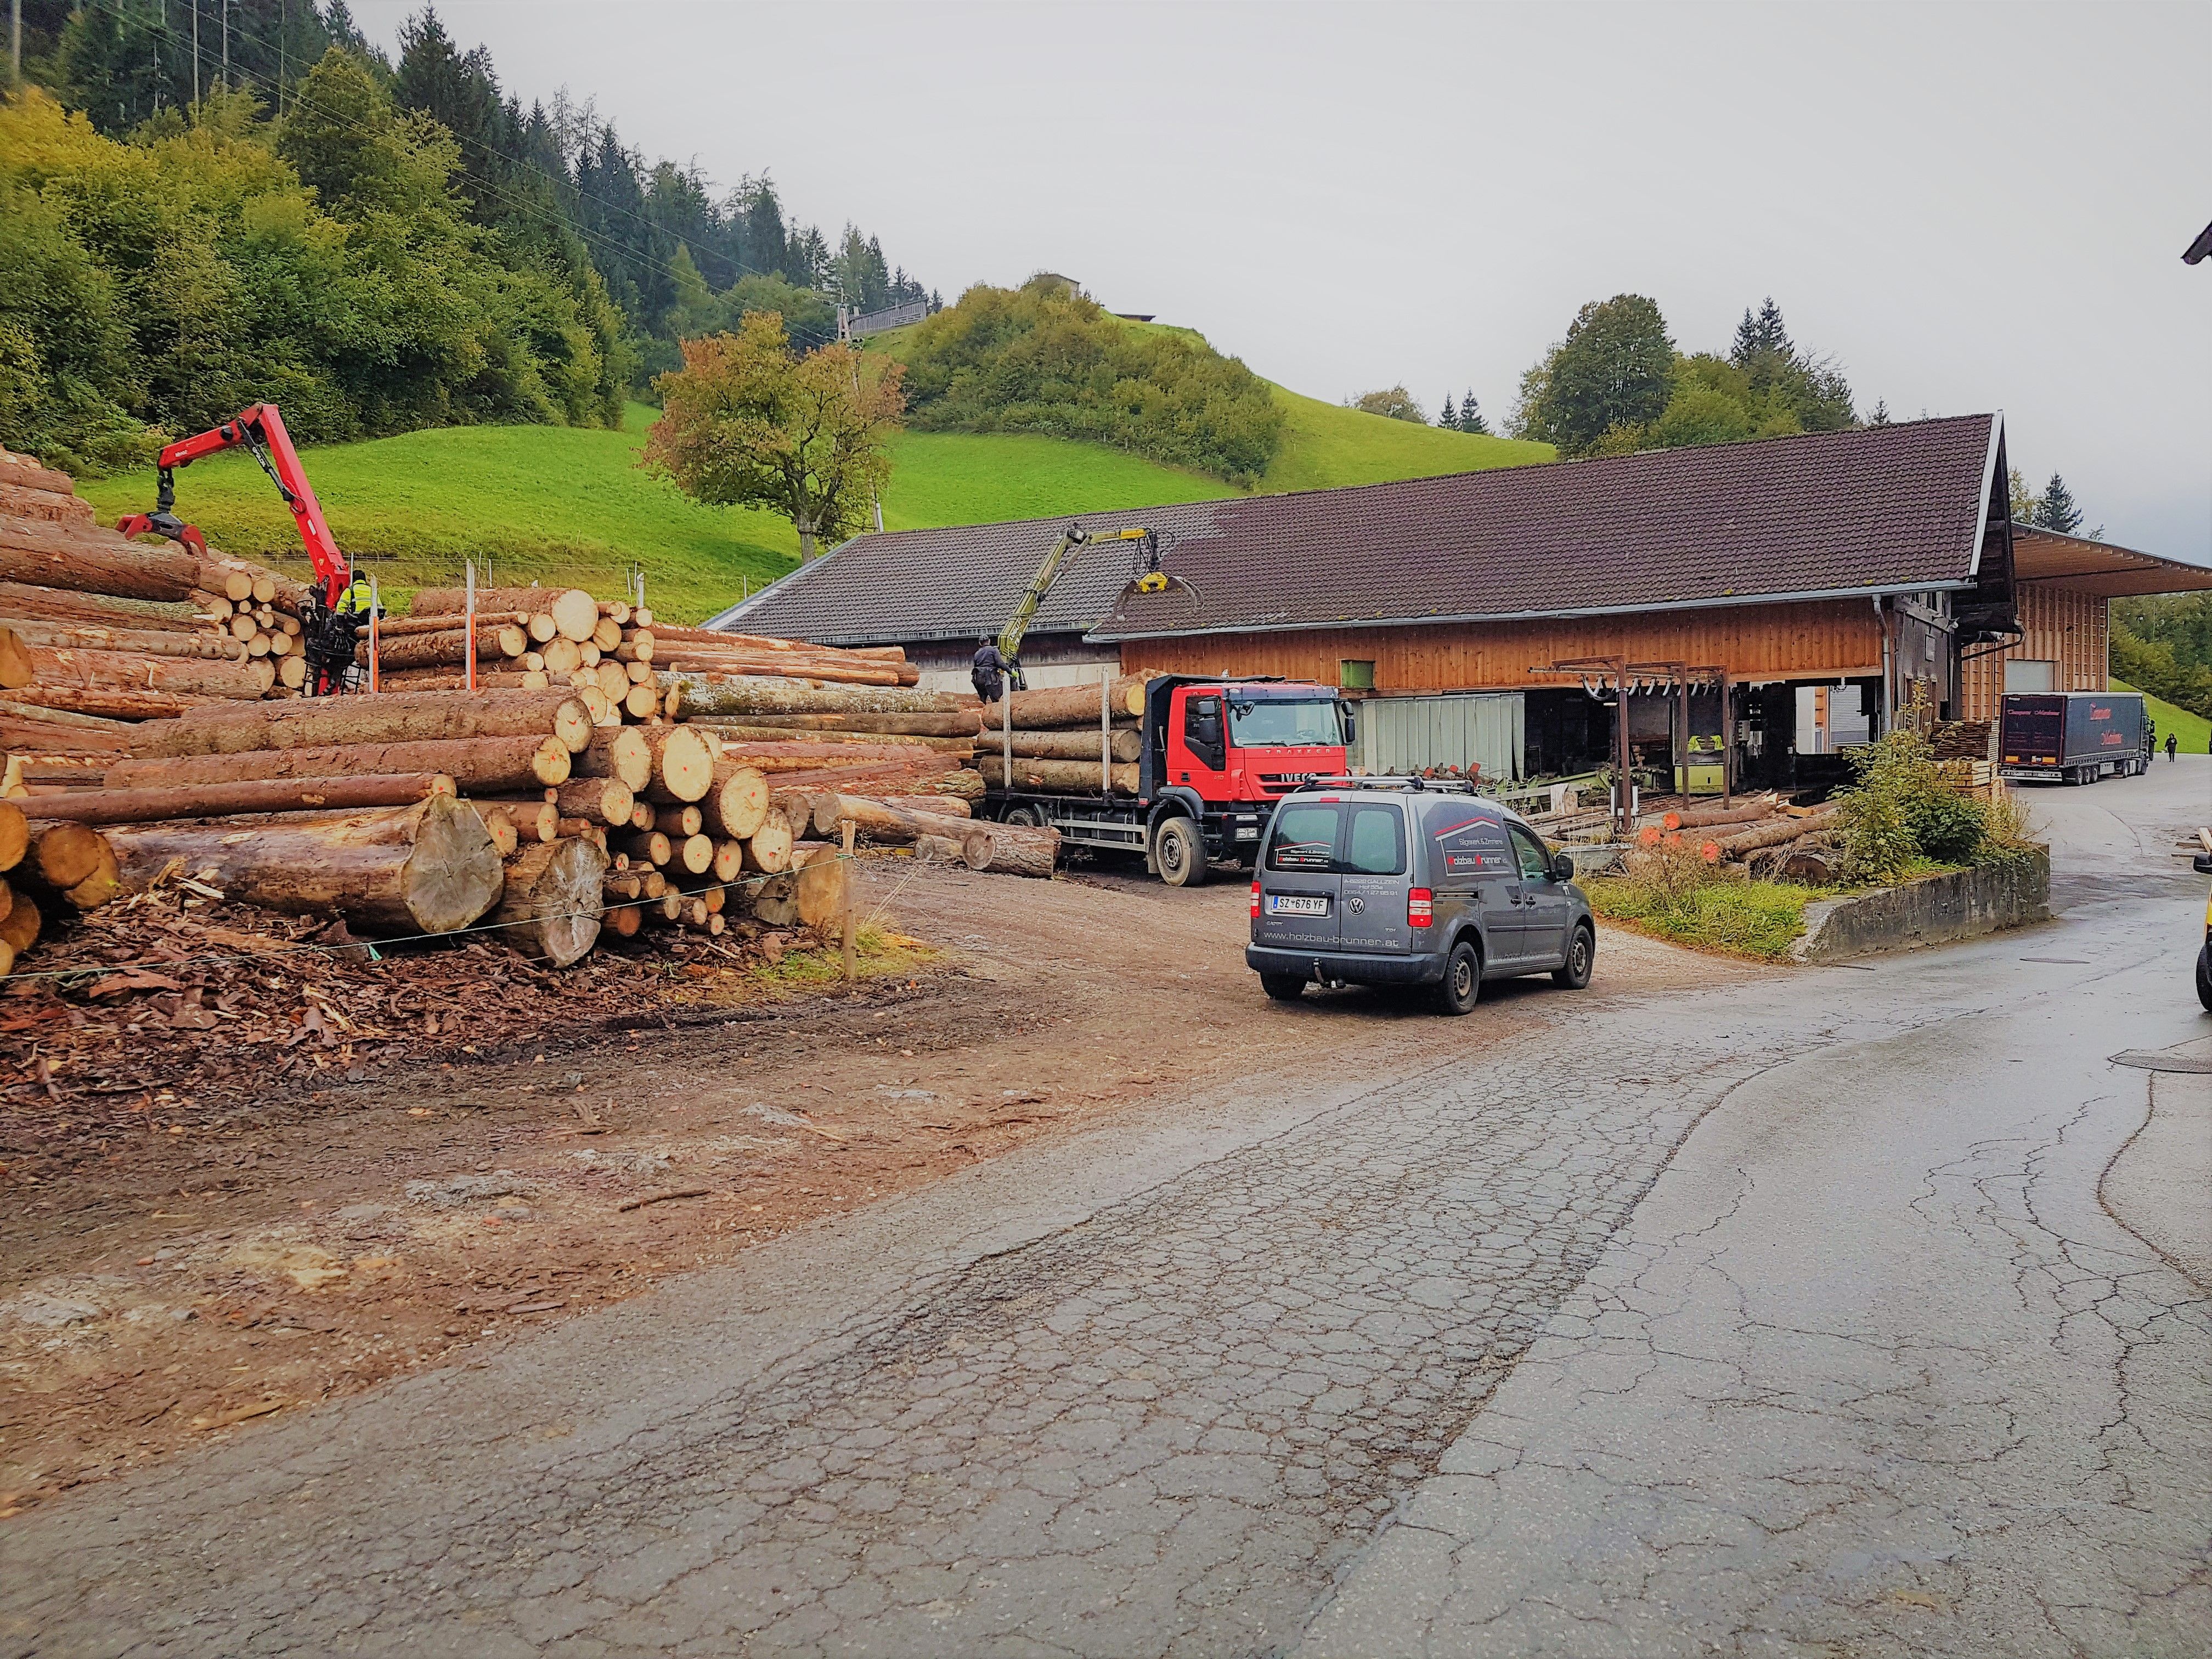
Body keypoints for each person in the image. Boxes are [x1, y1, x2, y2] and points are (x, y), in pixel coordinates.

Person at [970, 636, 1011, 706]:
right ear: (989, 641)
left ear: (980, 643)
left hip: (979, 679)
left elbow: (976, 666)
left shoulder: (977, 653)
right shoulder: (994, 650)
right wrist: (1010, 671)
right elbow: (1000, 663)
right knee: (997, 699)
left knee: (983, 699)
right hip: (991, 677)